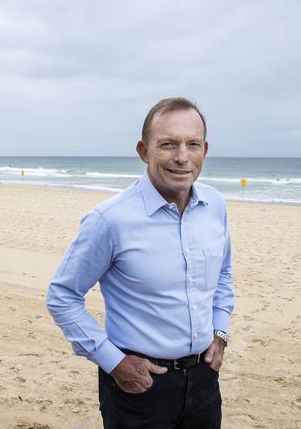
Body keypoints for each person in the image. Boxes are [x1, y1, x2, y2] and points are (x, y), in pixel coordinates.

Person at [46, 97, 234, 428]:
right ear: (143, 151)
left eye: (192, 144)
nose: (182, 156)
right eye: (168, 144)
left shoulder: (215, 205)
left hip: (205, 381)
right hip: (139, 386)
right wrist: (113, 361)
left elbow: (223, 275)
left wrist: (220, 331)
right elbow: (62, 296)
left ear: (204, 149)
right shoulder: (109, 220)